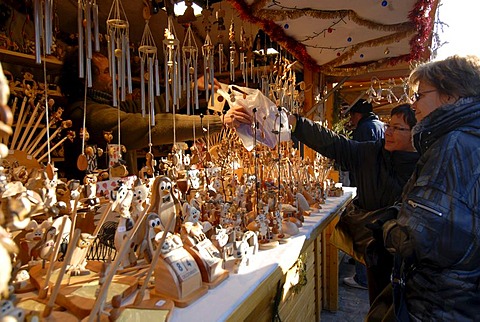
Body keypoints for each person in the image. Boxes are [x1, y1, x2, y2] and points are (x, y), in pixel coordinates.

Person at [377, 55, 480, 320]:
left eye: (419, 95)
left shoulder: (454, 145)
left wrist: (387, 226)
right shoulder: (467, 137)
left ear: (449, 95)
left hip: (440, 302)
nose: (413, 105)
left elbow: (420, 239)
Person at [288, 103, 418, 303]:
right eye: (388, 126)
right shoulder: (372, 153)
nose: (389, 132)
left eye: (397, 128)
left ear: (414, 133)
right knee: (378, 303)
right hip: (375, 248)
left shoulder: (424, 166)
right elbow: (335, 144)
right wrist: (297, 124)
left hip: (407, 253)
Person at [59, 49, 251, 179]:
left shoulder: (103, 104)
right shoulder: (87, 113)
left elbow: (149, 107)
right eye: (106, 72)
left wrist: (192, 88)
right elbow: (149, 124)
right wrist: (218, 121)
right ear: (88, 78)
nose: (112, 78)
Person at [344, 99, 385, 290]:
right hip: (379, 183)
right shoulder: (380, 126)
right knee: (372, 227)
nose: (351, 119)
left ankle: (362, 277)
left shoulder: (363, 128)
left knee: (363, 225)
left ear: (358, 114)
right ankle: (361, 266)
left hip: (367, 182)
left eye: (352, 115)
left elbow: (356, 156)